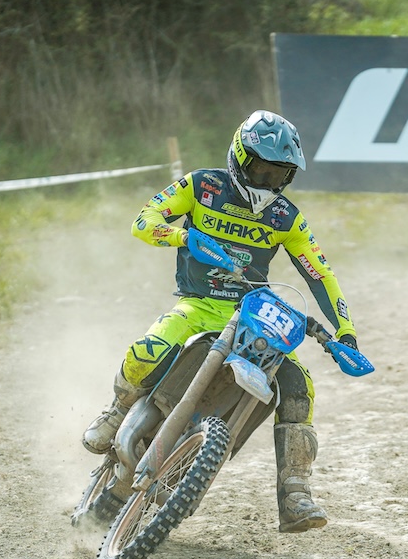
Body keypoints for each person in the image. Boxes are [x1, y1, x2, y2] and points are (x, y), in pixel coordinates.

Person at [82, 110, 359, 533]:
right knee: (148, 350)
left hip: (254, 314)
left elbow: (319, 274)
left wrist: (346, 331)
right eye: (261, 169)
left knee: (299, 386)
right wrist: (183, 236)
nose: (268, 180)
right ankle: (117, 412)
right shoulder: (201, 186)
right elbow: (143, 222)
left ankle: (295, 491)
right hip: (198, 304)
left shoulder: (287, 217)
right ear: (239, 157)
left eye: (279, 173)